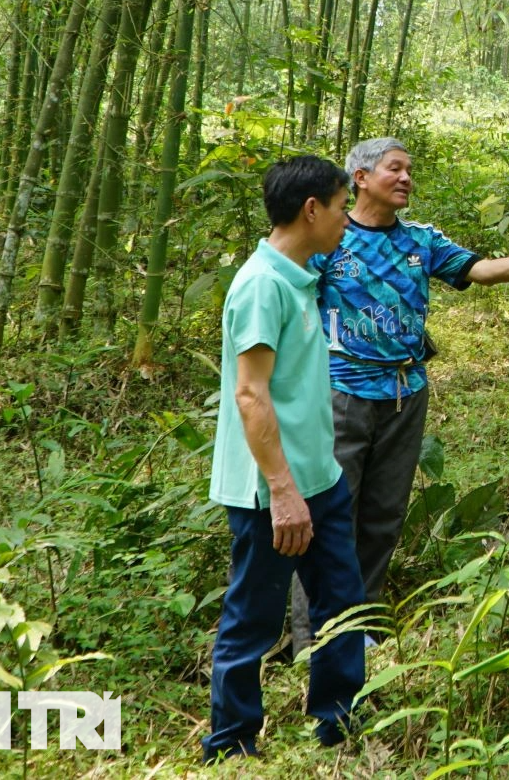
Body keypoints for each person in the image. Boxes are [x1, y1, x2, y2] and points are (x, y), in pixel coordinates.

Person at [290, 136, 509, 647]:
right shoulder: (329, 238)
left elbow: (479, 271)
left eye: (410, 170)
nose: (406, 178)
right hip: (340, 393)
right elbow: (290, 294)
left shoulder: (421, 240)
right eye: (395, 169)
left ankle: (361, 626)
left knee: (383, 515)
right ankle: (315, 638)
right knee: (331, 514)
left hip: (405, 392)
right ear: (362, 178)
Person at [204, 155, 363, 761]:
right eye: (343, 206)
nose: (348, 219)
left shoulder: (300, 273)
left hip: (319, 478)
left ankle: (338, 726)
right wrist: (283, 491)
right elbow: (250, 393)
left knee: (342, 606)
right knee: (255, 616)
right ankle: (230, 745)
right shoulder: (261, 285)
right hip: (271, 491)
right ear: (312, 209)